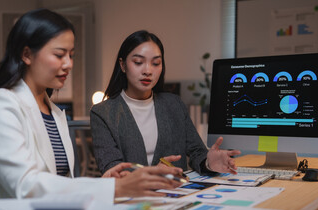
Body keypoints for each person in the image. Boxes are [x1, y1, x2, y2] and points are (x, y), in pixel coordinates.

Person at [0, 11, 182, 210]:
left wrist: (102, 183)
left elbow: (56, 182)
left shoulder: (54, 112)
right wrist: (114, 188)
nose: (68, 64)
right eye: (59, 55)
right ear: (26, 55)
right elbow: (27, 186)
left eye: (71, 55)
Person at [90, 30, 241, 177]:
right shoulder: (103, 113)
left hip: (177, 195)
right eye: (138, 62)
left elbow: (197, 152)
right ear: (122, 65)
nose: (148, 70)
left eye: (155, 63)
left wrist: (209, 162)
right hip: (133, 199)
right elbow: (112, 170)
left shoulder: (173, 104)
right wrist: (151, 174)